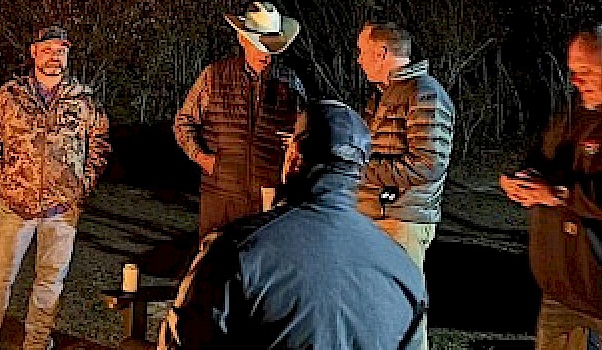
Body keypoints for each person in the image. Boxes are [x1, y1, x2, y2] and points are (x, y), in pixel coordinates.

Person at [157, 99, 428, 350]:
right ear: (360, 170)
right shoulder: (404, 272)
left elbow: (183, 339)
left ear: (294, 156)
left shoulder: (238, 249)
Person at [0, 25, 111, 350]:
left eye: (60, 51)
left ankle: (36, 343)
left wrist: (81, 187)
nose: (54, 57)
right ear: (33, 53)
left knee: (50, 283)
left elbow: (100, 143)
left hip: (62, 212)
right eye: (47, 50)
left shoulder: (83, 100)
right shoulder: (9, 96)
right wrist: (5, 180)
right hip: (15, 206)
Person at [499, 23, 602, 349]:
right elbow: (545, 157)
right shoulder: (575, 112)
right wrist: (525, 178)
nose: (575, 81)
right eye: (573, 71)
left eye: (586, 71)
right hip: (562, 296)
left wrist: (559, 194)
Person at [355, 21, 453, 350]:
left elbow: (428, 165)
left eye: (362, 52)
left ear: (382, 53)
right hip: (379, 215)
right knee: (376, 305)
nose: (358, 60)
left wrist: (364, 168)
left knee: (402, 306)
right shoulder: (385, 96)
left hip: (402, 219)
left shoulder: (424, 94)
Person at [173, 1, 308, 237]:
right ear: (242, 40)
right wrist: (203, 158)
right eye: (259, 45)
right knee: (215, 266)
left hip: (269, 200)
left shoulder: (290, 83)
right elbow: (184, 122)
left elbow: (305, 137)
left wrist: (294, 150)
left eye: (270, 47)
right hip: (220, 195)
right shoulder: (214, 76)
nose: (264, 53)